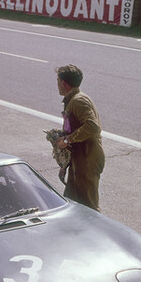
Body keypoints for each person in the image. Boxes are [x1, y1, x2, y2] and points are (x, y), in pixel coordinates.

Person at [54, 64, 105, 212]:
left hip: (88, 160)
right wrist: (65, 165)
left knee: (89, 207)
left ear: (63, 83)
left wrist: (67, 140)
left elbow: (92, 126)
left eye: (58, 80)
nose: (57, 84)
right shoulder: (73, 99)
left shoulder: (78, 101)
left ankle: (96, 233)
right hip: (79, 159)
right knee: (72, 202)